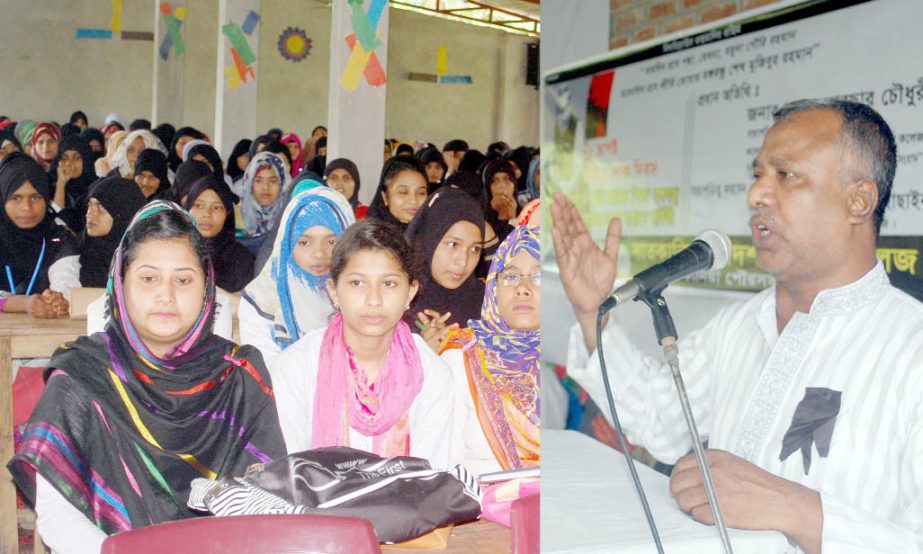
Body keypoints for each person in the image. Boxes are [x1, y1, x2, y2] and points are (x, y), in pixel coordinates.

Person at [553, 99, 923, 552]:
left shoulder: (911, 348)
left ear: (859, 200)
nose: (756, 195)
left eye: (786, 175)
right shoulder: (738, 326)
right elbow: (660, 420)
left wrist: (795, 509)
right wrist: (593, 311)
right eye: (757, 175)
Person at [7, 202, 286, 552]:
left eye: (183, 279)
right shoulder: (82, 378)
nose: (166, 295)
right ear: (121, 284)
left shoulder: (238, 376)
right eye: (149, 278)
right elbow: (58, 517)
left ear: (206, 289)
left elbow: (263, 501)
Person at [269, 219, 454, 468]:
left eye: (389, 284)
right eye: (357, 283)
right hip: (313, 504)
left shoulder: (431, 374)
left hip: (407, 503)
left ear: (410, 293)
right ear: (334, 292)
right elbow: (287, 473)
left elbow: (431, 476)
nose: (373, 299)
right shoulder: (295, 367)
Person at [440, 224, 540, 475]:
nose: (523, 288)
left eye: (539, 277)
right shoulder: (463, 359)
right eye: (510, 277)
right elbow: (444, 469)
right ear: (494, 287)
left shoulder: (573, 363)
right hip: (486, 509)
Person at [240, 186, 354, 365]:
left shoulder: (364, 295)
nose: (319, 253)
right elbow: (268, 376)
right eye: (304, 242)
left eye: (332, 241)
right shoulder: (262, 302)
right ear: (286, 246)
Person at [405, 187, 485, 350]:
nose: (463, 262)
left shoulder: (489, 304)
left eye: (475, 249)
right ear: (428, 240)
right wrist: (422, 353)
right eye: (453, 244)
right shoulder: (396, 300)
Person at [0, 153, 78, 317]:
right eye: (16, 198)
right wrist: (23, 303)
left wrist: (59, 299)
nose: (27, 207)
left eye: (35, 197)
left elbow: (67, 280)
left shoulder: (58, 237)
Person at [183, 176, 253, 293]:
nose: (207, 214)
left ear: (227, 214)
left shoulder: (241, 260)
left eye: (216, 207)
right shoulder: (174, 253)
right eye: (199, 205)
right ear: (187, 210)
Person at [78, 176, 147, 287]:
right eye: (89, 205)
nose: (89, 214)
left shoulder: (144, 260)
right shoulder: (80, 249)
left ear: (122, 213)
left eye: (100, 208)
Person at [238, 151, 293, 255]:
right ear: (250, 184)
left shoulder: (290, 220)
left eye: (273, 181)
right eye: (258, 180)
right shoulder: (235, 218)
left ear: (282, 185)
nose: (265, 187)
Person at [367, 156, 429, 232]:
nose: (414, 201)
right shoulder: (370, 238)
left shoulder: (436, 235)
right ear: (385, 197)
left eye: (421, 193)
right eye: (403, 192)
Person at [49, 135, 96, 231]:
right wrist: (61, 184)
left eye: (77, 158)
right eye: (64, 158)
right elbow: (56, 217)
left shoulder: (96, 186)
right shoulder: (49, 186)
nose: (69, 163)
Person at [482, 158, 519, 244]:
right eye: (495, 180)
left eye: (506, 179)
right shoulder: (480, 217)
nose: (502, 186)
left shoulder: (527, 213)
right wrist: (502, 214)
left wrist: (512, 218)